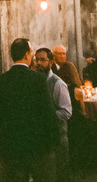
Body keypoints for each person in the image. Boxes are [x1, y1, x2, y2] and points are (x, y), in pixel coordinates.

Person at [0, 37, 59, 182]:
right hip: (36, 146)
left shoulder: (0, 81)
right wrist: (53, 142)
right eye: (31, 53)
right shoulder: (38, 80)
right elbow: (47, 112)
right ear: (27, 55)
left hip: (10, 147)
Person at [34, 48, 72, 182]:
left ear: (50, 62)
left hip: (57, 137)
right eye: (36, 59)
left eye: (42, 60)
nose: (38, 63)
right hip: (41, 138)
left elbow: (66, 112)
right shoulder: (34, 81)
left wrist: (47, 115)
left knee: (59, 173)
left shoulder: (58, 84)